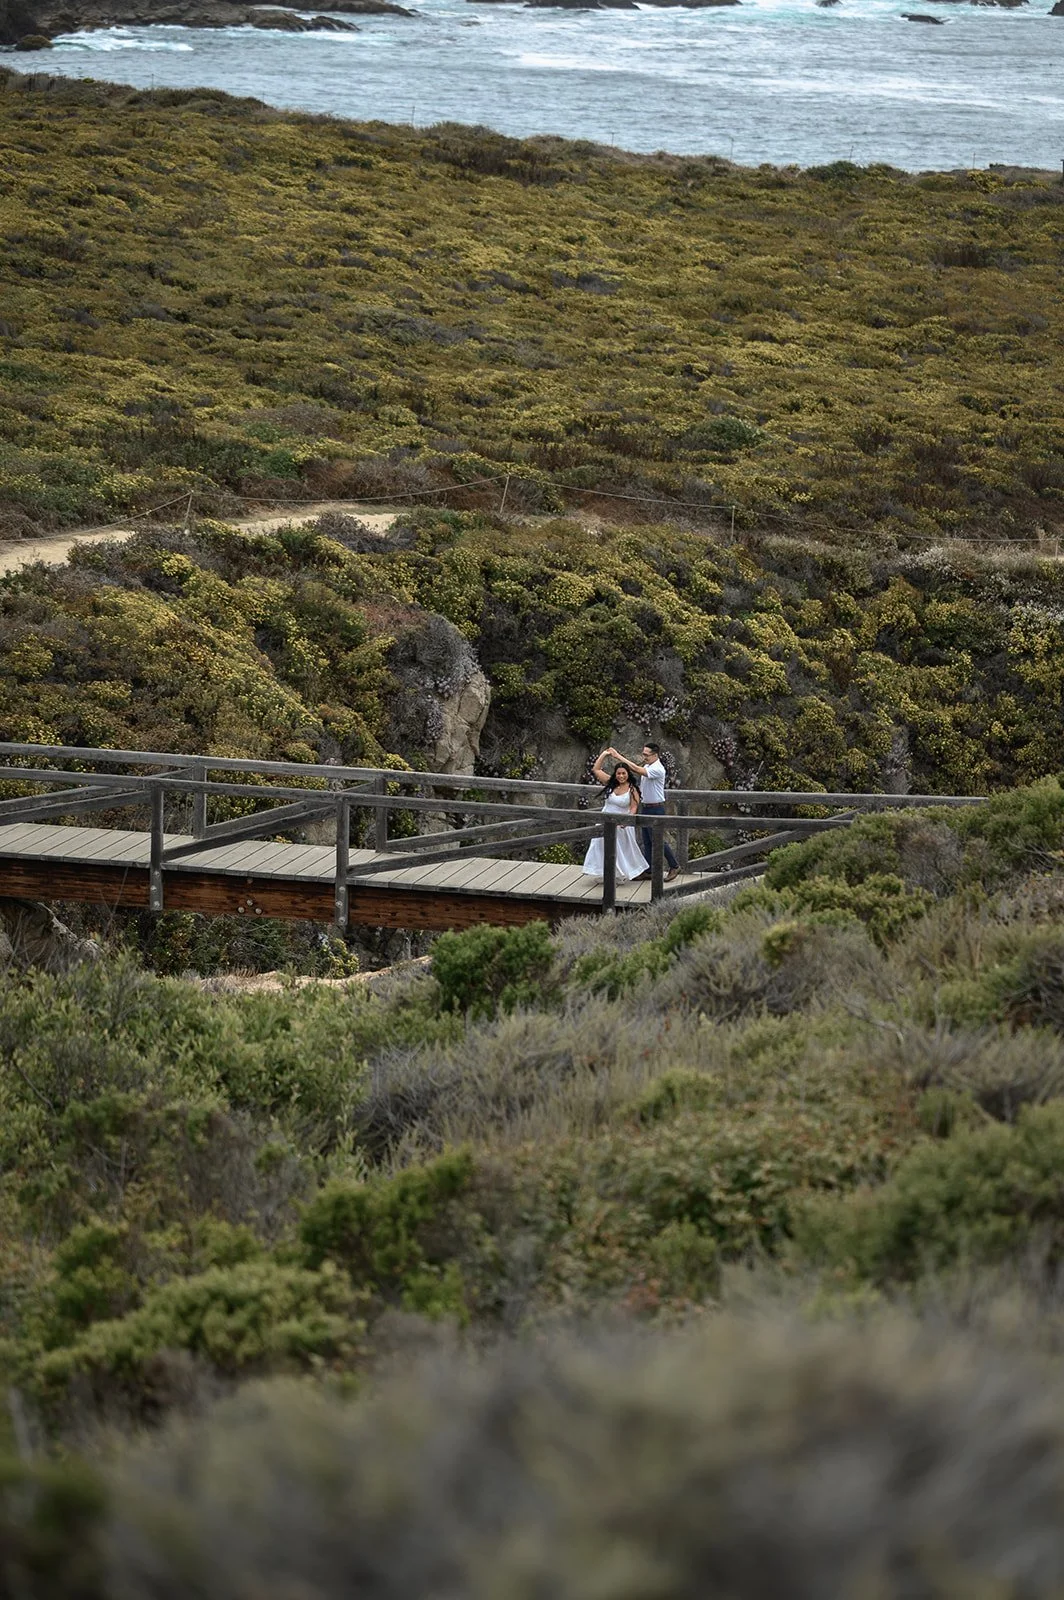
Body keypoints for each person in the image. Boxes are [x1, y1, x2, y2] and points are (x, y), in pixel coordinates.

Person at [607, 741, 679, 882]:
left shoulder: (658, 769)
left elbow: (636, 769)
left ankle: (674, 865)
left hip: (656, 808)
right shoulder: (649, 765)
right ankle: (649, 870)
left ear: (655, 755)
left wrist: (618, 756)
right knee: (647, 841)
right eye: (643, 754)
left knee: (657, 840)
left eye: (646, 754)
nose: (644, 757)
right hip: (646, 807)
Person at [581, 750, 650, 882]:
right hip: (605, 819)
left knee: (620, 850)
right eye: (618, 773)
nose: (621, 776)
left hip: (621, 822)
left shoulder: (632, 789)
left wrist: (626, 821)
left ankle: (621, 874)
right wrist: (605, 754)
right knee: (600, 846)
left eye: (623, 773)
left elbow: (634, 807)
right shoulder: (610, 783)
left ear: (628, 774)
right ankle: (605, 873)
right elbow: (596, 769)